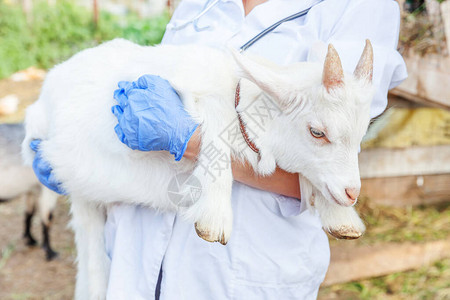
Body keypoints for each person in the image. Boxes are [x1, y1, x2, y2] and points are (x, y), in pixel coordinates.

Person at [31, 0, 407, 298]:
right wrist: (86, 161)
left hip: (238, 271)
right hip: (137, 256)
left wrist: (193, 141)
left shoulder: (358, 7)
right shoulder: (199, 4)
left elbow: (330, 167)